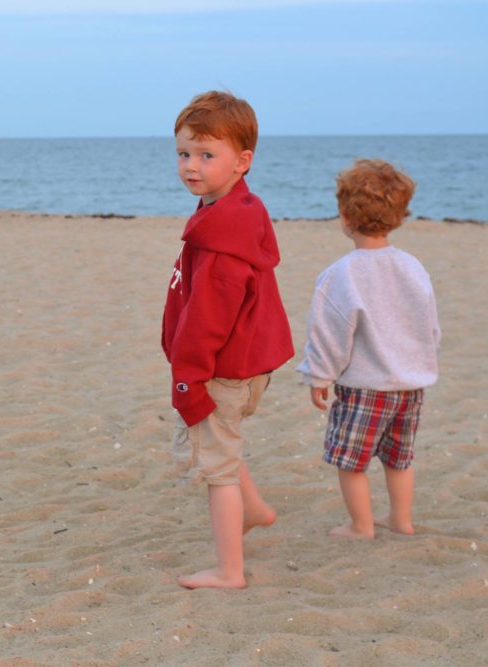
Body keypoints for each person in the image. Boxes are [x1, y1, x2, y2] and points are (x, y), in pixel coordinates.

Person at [162, 91, 294, 589]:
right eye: (184, 153)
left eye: (206, 155)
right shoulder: (238, 208)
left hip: (220, 369)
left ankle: (229, 571)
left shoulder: (222, 241)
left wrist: (187, 381)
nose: (191, 166)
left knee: (217, 471)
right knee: (226, 443)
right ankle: (254, 508)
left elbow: (207, 321)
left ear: (242, 162)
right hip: (248, 365)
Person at [297, 159, 440, 540]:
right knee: (399, 458)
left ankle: (361, 526)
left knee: (351, 461)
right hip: (409, 386)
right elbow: (430, 325)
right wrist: (421, 362)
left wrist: (319, 375)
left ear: (345, 217)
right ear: (399, 215)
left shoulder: (341, 273)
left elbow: (329, 334)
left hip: (365, 387)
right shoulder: (412, 267)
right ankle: (401, 520)